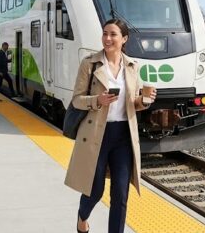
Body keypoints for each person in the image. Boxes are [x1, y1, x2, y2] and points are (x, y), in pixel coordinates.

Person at [65, 18, 156, 233]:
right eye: (105, 33)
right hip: (97, 133)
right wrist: (97, 100)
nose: (107, 38)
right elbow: (77, 99)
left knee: (121, 195)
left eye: (113, 34)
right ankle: (82, 218)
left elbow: (133, 102)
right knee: (94, 190)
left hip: (123, 136)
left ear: (124, 39)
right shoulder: (90, 64)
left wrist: (145, 100)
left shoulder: (133, 66)